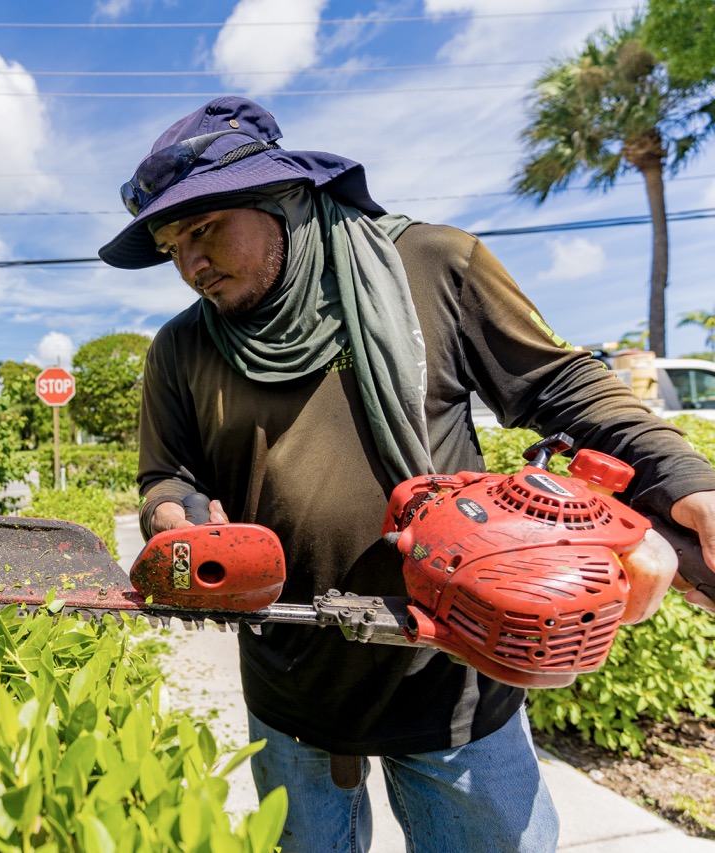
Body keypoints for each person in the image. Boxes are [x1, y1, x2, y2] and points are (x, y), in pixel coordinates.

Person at [97, 96, 715, 852]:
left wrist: (685, 480)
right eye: (171, 247)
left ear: (283, 197)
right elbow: (166, 475)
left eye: (203, 228)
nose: (190, 264)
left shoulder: (432, 265)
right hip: (291, 681)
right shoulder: (180, 349)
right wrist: (175, 516)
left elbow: (562, 387)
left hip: (452, 674)